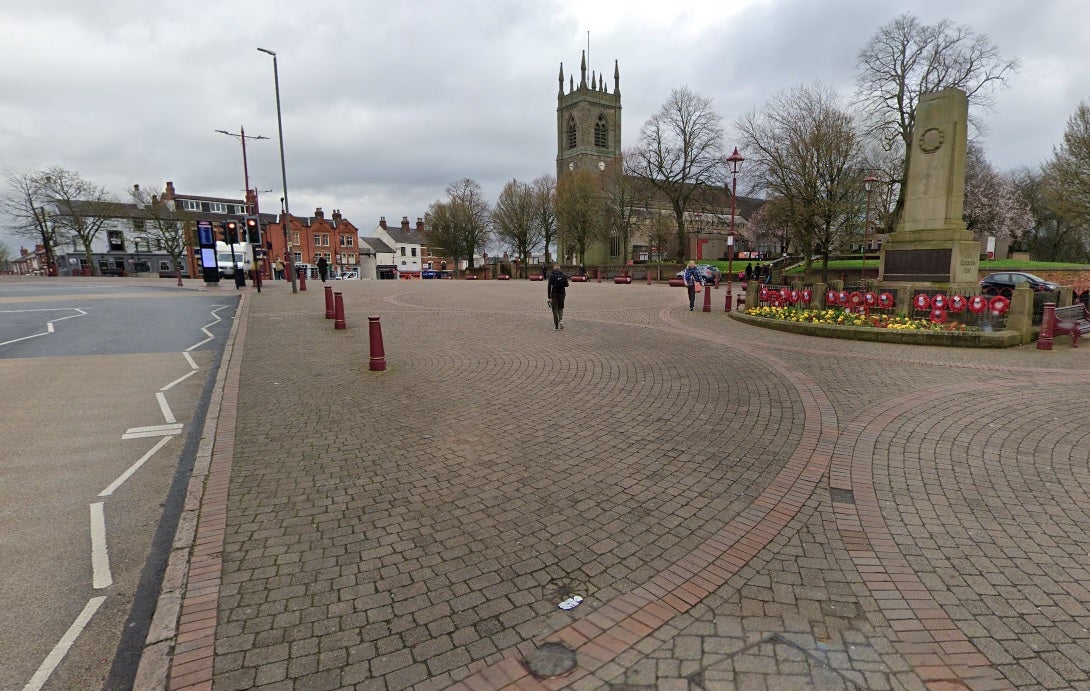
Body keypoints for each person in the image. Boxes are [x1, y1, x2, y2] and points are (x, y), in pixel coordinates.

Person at [547, 263, 570, 330]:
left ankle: (556, 326)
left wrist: (549, 296)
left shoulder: (552, 275)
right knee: (560, 308)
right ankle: (560, 321)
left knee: (555, 310)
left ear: (554, 268)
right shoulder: (563, 275)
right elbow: (567, 285)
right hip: (562, 294)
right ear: (559, 268)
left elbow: (549, 287)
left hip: (554, 294)